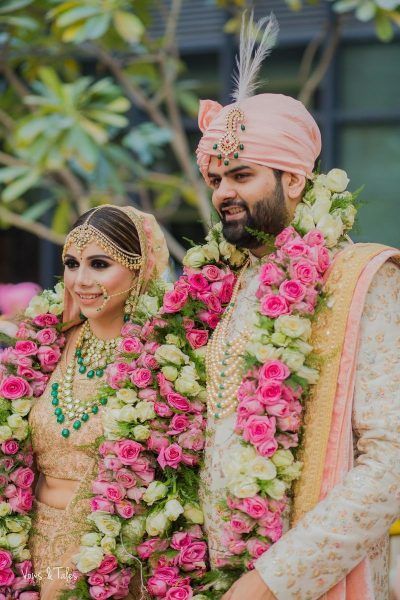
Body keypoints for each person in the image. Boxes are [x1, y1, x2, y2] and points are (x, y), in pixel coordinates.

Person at [195, 13, 400, 600]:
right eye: (215, 178)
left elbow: (389, 463)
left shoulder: (361, 276)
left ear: (293, 180)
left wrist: (271, 583)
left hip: (299, 584)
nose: (222, 193)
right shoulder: (224, 285)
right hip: (210, 574)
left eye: (241, 174)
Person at [27, 204, 169, 598]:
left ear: (141, 269)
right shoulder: (47, 347)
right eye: (72, 264)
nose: (81, 280)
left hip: (106, 558)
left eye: (100, 264)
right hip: (31, 548)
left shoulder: (160, 364)